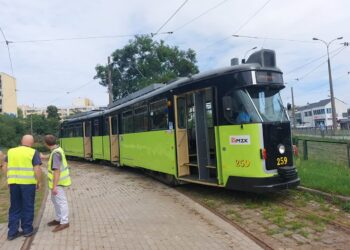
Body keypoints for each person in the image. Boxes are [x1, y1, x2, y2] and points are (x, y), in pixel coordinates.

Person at [1, 135, 42, 240]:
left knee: (15, 207)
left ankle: (12, 233)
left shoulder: (11, 151)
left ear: (21, 141)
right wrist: (39, 181)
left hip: (14, 183)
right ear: (32, 143)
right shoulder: (33, 152)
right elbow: (37, 168)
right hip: (28, 184)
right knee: (27, 206)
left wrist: (8, 178)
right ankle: (27, 230)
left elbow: (4, 166)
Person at [43, 134, 71, 232]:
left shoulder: (56, 153)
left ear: (46, 144)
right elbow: (51, 155)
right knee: (55, 200)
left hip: (58, 183)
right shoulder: (57, 149)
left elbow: (57, 171)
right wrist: (43, 156)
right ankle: (59, 219)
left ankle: (64, 222)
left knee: (61, 202)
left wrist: (54, 186)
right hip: (56, 183)